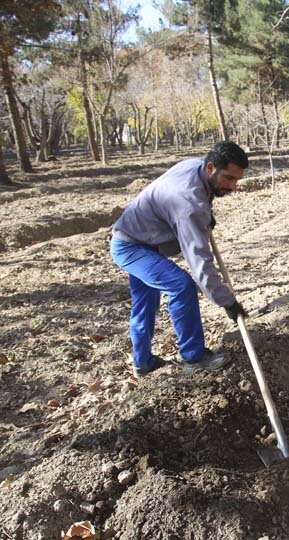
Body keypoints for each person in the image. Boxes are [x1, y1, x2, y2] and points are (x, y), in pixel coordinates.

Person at [110, 141, 249, 377]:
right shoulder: (188, 205)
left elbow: (201, 198)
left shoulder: (196, 166)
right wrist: (228, 302)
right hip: (131, 246)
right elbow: (200, 264)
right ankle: (193, 357)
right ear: (211, 168)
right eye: (228, 178)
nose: (233, 187)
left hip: (141, 238)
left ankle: (142, 363)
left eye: (237, 180)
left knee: (145, 303)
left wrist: (208, 213)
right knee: (181, 285)